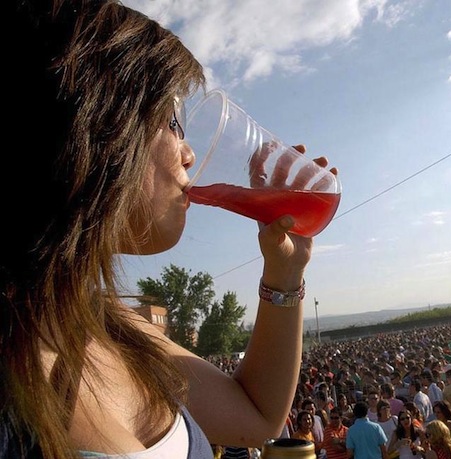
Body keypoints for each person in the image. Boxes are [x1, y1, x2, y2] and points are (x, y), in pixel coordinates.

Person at [2, 1, 336, 458]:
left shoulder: (109, 324)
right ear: (100, 125)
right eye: (172, 119)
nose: (190, 155)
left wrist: (284, 272)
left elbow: (257, 416)